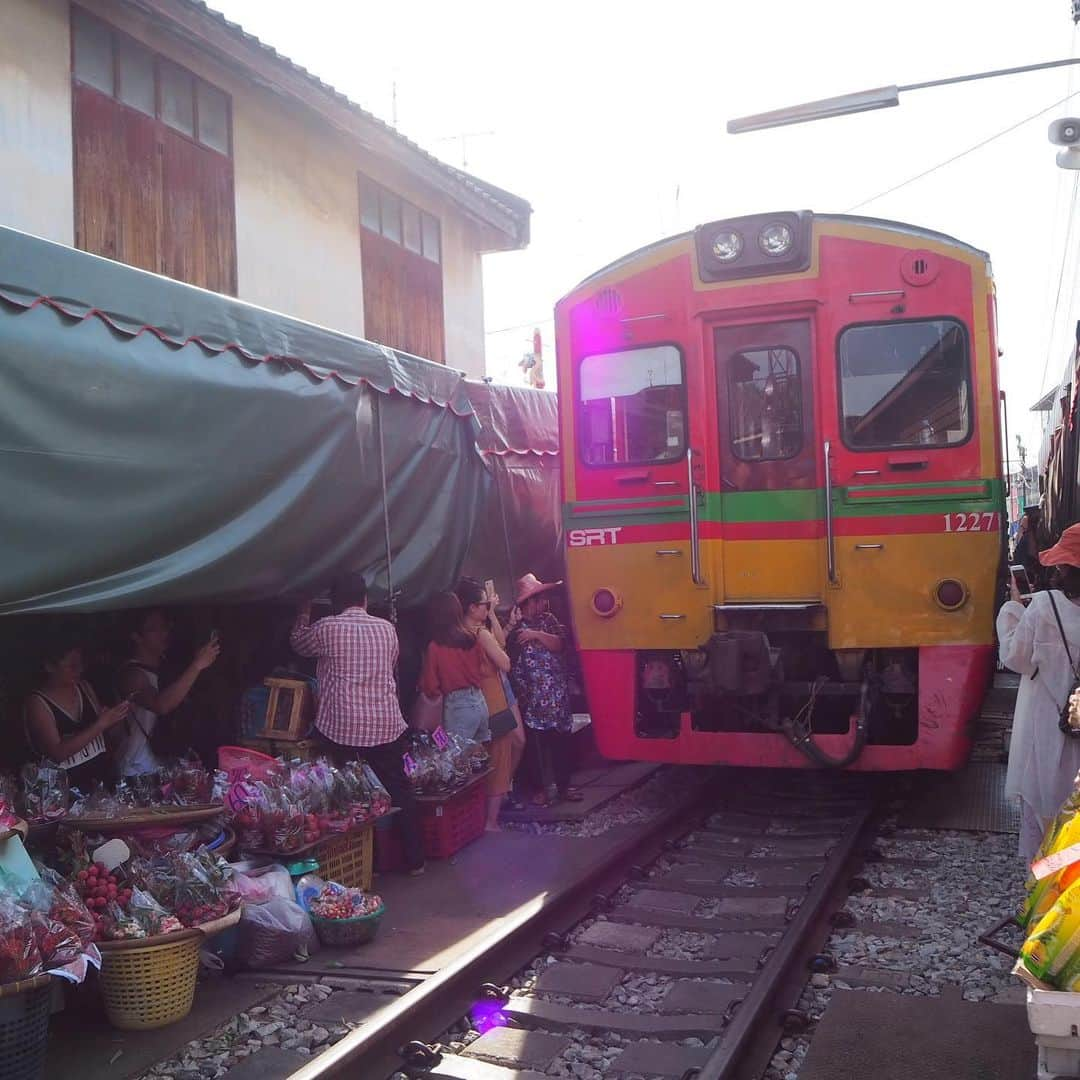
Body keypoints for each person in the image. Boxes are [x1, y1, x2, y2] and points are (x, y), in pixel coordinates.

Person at [291, 571, 425, 874]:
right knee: (398, 791)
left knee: (351, 798)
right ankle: (415, 860)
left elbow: (298, 644)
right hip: (385, 724)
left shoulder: (327, 627)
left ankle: (369, 865)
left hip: (342, 729)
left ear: (335, 603)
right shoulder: (387, 629)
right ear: (365, 599)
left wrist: (303, 611)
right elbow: (391, 664)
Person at [999, 523, 1080, 865]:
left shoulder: (1044, 607)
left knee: (1046, 807)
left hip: (1048, 726)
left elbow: (1015, 658)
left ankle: (1048, 895)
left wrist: (1014, 609)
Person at [420, 589, 516, 831]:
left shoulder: (434, 647)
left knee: (457, 768)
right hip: (479, 703)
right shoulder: (473, 639)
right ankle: (484, 820)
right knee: (480, 764)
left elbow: (430, 685)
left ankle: (464, 824)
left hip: (457, 707)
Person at [114, 610, 221, 778]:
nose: (163, 633)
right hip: (136, 771)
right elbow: (160, 705)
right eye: (153, 629)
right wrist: (197, 665)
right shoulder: (132, 675)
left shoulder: (165, 667)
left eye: (164, 627)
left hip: (163, 767)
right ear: (136, 636)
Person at [507, 574, 583, 806]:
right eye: (539, 599)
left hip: (556, 696)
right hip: (531, 698)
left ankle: (564, 786)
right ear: (528, 603)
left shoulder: (549, 620)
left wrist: (537, 635)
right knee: (536, 748)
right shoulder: (516, 629)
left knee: (561, 743)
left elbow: (560, 644)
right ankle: (539, 789)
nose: (544, 603)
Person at [25, 630, 130, 790]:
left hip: (103, 781)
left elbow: (107, 739)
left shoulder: (84, 687)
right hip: (68, 792)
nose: (79, 669)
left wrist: (116, 718)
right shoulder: (38, 703)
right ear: (49, 667)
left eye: (80, 663)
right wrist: (100, 724)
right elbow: (57, 753)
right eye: (71, 665)